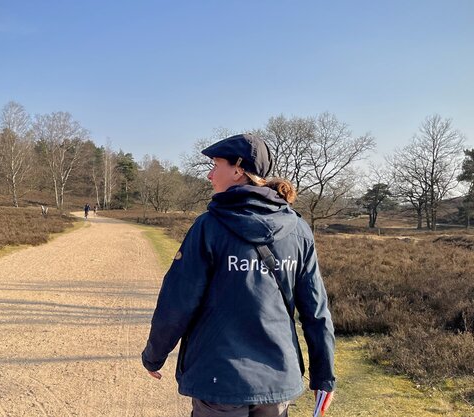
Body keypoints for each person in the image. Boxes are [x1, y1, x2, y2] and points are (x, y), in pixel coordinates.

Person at [142, 134, 336, 417]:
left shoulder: (209, 227)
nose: (209, 175)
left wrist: (153, 357)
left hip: (218, 381)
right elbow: (317, 312)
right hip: (277, 381)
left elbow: (177, 302)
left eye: (215, 165)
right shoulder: (298, 230)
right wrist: (324, 376)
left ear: (237, 170)